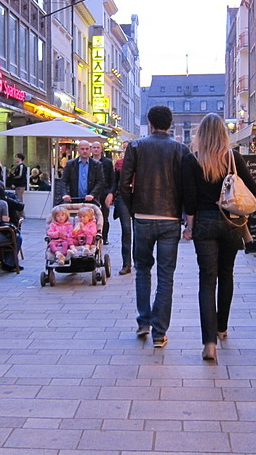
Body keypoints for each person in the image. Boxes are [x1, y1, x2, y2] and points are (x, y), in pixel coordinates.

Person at [181, 114, 256, 361]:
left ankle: (209, 343)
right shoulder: (233, 158)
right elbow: (253, 190)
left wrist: (189, 226)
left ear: (200, 134)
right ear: (223, 133)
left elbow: (189, 198)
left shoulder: (192, 160)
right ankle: (222, 327)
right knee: (226, 274)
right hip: (231, 222)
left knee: (206, 280)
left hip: (204, 222)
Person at [120, 105, 189, 348]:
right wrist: (184, 216)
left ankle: (143, 321)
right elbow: (185, 185)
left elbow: (124, 183)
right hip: (170, 218)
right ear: (170, 124)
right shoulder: (180, 149)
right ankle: (160, 331)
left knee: (142, 270)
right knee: (166, 276)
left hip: (143, 216)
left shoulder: (136, 146)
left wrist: (132, 208)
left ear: (149, 122)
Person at [112, 140, 132, 275]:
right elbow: (115, 181)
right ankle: (126, 263)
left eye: (128, 148)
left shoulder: (141, 163)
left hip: (138, 197)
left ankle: (138, 259)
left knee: (139, 230)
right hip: (122, 197)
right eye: (124, 148)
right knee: (126, 229)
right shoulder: (119, 164)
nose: (126, 150)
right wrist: (111, 194)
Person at [91, 141, 115, 244]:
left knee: (104, 216)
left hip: (104, 192)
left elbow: (112, 179)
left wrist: (110, 193)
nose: (96, 149)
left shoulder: (107, 162)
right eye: (94, 147)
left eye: (98, 147)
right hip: (92, 193)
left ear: (101, 149)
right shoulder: (89, 162)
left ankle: (104, 237)